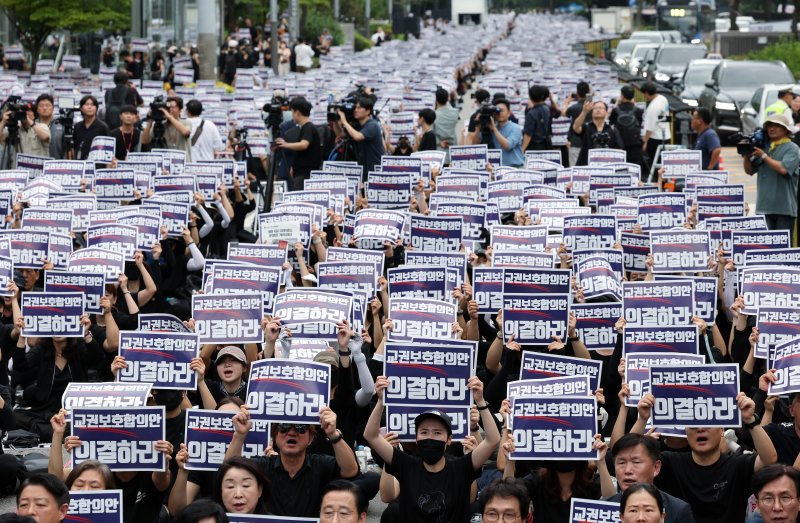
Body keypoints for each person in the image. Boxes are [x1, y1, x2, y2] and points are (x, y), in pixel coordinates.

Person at [364, 376, 501, 522]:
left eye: (437, 433)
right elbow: (371, 435)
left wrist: (480, 401)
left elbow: (493, 440)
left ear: (449, 439)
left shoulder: (461, 466)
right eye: (424, 432)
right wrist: (380, 401)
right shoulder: (406, 464)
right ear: (416, 438)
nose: (430, 437)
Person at [634, 392, 778, 523]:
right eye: (693, 425)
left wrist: (750, 419)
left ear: (722, 430)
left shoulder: (738, 465)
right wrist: (642, 419)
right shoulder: (669, 462)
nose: (700, 429)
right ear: (686, 432)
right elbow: (632, 458)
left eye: (708, 423)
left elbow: (769, 459)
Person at [224, 405, 359, 517]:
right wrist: (240, 435)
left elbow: (351, 470)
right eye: (284, 427)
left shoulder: (321, 464)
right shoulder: (263, 465)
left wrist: (333, 434)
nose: (292, 433)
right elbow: (230, 469)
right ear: (275, 435)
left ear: (311, 438)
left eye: (300, 428)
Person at [603, 433, 695, 523]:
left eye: (636, 462)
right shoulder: (603, 507)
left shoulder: (677, 510)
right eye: (621, 463)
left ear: (656, 467)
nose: (627, 470)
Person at [744, 113, 800, 235]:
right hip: (763, 207)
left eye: (776, 126)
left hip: (784, 209)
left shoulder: (792, 148)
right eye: (769, 126)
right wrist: (746, 155)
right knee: (766, 248)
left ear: (786, 130)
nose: (771, 129)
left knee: (782, 249)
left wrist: (763, 155)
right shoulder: (764, 147)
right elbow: (749, 171)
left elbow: (783, 169)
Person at [275, 97, 321, 191]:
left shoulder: (308, 128)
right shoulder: (305, 128)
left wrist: (285, 144)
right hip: (301, 173)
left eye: (292, 112)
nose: (292, 116)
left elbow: (304, 145)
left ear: (297, 112)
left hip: (305, 175)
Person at [337, 97, 385, 180]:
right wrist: (336, 122)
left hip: (374, 171)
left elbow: (357, 137)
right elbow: (342, 134)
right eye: (355, 107)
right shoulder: (358, 125)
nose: (356, 110)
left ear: (368, 111)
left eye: (359, 108)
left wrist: (344, 121)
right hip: (363, 169)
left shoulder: (372, 125)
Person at [572, 100, 623, 166]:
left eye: (601, 108)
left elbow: (619, 149)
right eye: (595, 108)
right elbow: (576, 127)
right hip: (586, 166)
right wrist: (584, 112)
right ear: (592, 112)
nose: (598, 110)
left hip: (607, 166)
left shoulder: (612, 129)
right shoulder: (587, 127)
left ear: (606, 112)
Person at [609, 84, 645, 176]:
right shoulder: (638, 111)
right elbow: (640, 124)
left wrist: (616, 104)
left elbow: (610, 124)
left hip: (619, 146)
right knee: (635, 172)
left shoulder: (615, 110)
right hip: (635, 146)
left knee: (619, 172)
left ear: (622, 96)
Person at [641, 82, 671, 174]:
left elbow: (650, 128)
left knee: (655, 163)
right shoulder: (663, 99)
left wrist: (644, 142)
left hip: (655, 139)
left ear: (646, 93)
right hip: (666, 135)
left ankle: (657, 181)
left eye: (644, 94)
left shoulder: (652, 108)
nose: (644, 96)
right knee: (664, 163)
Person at [483, 99, 524, 167]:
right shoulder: (492, 127)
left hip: (515, 168)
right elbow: (476, 142)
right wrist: (478, 126)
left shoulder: (515, 128)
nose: (499, 113)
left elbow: (507, 146)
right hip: (499, 168)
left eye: (502, 110)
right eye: (497, 110)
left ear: (509, 113)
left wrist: (494, 130)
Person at [72, 95, 109, 160]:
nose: (89, 107)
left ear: (96, 108)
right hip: (81, 163)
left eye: (92, 105)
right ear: (81, 108)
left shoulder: (103, 127)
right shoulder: (77, 126)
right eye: (87, 104)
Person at [564, 81, 591, 166]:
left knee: (575, 170)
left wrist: (567, 102)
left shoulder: (574, 108)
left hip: (576, 141)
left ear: (577, 93)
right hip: (590, 141)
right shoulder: (593, 107)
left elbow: (563, 113)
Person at [522, 84, 553, 152]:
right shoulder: (546, 108)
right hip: (546, 145)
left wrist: (522, 150)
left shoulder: (531, 113)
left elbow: (528, 135)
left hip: (533, 146)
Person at [433, 88, 458, 158]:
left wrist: (438, 142)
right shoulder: (455, 112)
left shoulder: (434, 115)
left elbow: (431, 133)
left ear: (436, 100)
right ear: (448, 98)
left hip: (440, 151)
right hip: (453, 150)